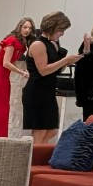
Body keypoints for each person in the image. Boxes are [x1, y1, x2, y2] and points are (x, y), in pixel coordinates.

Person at [23, 11, 82, 143]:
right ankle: (33, 161)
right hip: (36, 91)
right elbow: (43, 70)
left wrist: (67, 61)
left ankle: (37, 159)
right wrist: (65, 60)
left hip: (47, 90)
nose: (62, 34)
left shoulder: (52, 44)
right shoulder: (38, 44)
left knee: (51, 130)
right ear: (52, 28)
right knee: (40, 130)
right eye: (61, 30)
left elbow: (56, 70)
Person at [0, 17, 31, 137]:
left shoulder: (21, 44)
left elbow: (12, 60)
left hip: (4, 77)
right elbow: (6, 63)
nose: (27, 30)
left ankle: (1, 136)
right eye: (25, 27)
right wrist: (22, 73)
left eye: (30, 28)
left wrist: (21, 70)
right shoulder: (11, 40)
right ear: (19, 27)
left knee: (4, 109)